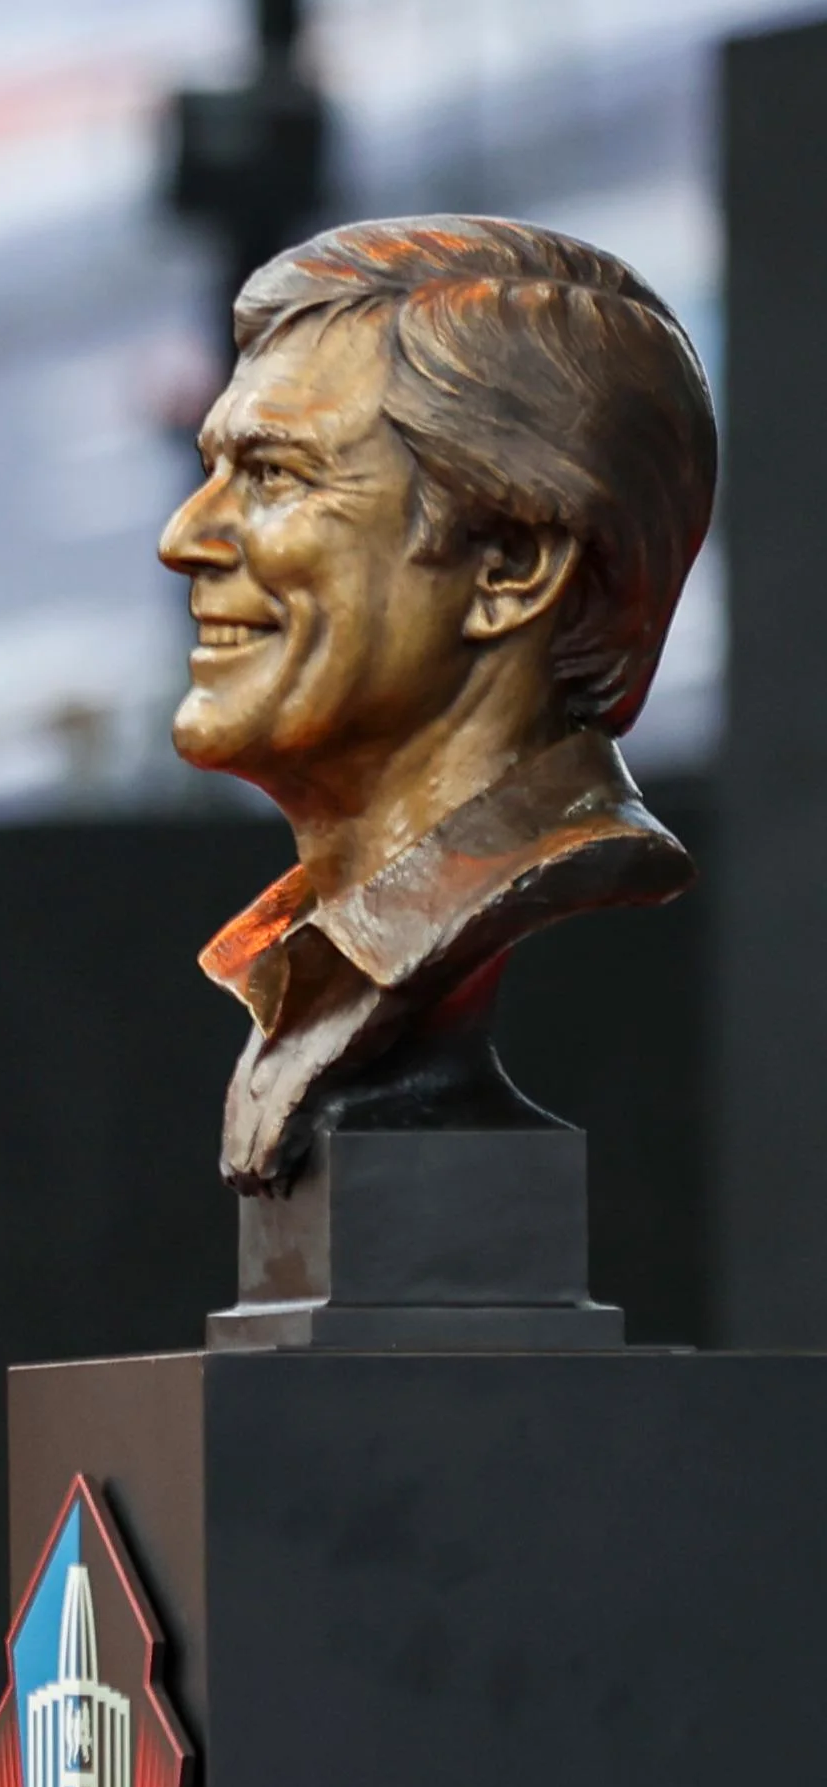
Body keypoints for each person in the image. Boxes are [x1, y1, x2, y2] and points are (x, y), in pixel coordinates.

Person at [162, 216, 717, 1190]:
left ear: (512, 565)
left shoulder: (491, 916)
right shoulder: (303, 964)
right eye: (212, 471)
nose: (184, 537)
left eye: (275, 475)